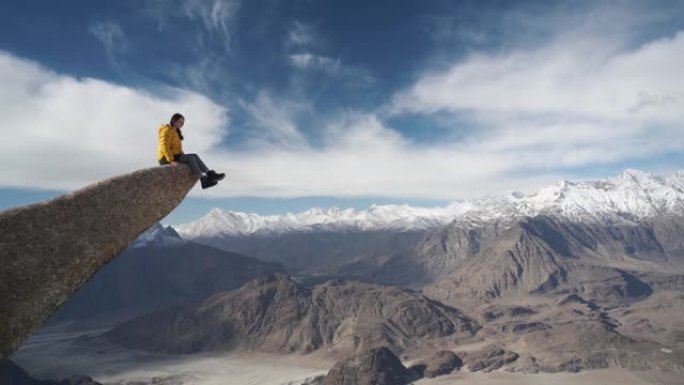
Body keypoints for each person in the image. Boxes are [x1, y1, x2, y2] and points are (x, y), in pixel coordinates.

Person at [157, 113, 225, 189]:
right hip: (165, 158)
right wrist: (171, 160)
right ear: (174, 120)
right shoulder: (166, 129)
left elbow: (178, 149)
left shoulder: (176, 132)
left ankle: (210, 174)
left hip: (175, 155)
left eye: (183, 123)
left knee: (194, 156)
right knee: (191, 158)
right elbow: (164, 146)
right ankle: (203, 180)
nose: (182, 124)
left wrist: (184, 156)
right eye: (180, 122)